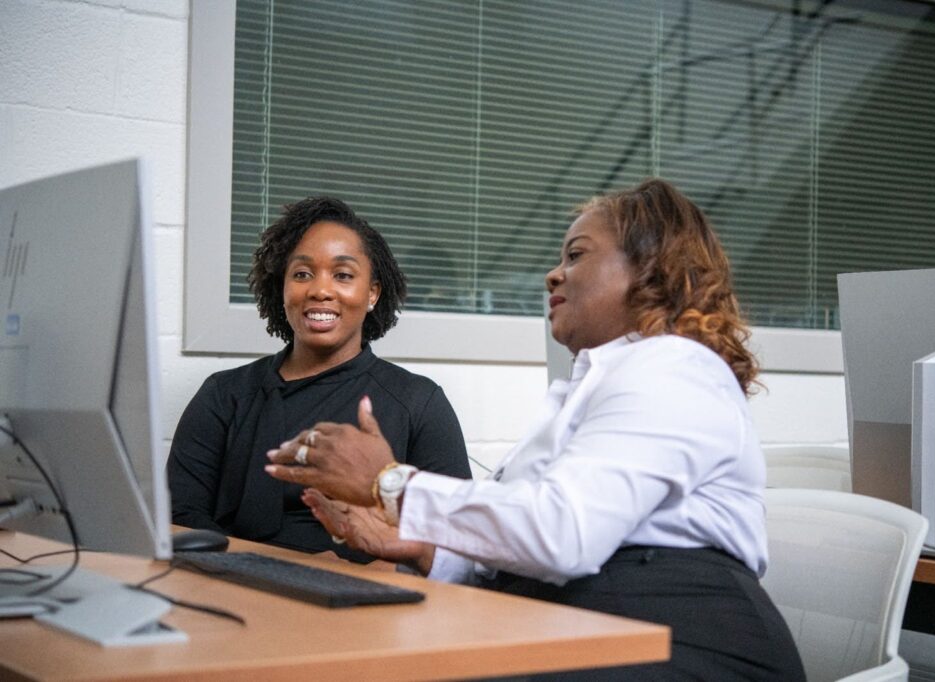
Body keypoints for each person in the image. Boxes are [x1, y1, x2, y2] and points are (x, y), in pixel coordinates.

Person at [264, 179, 805, 679]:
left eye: (576, 255)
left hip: (687, 642)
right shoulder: (591, 386)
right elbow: (533, 545)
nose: (554, 274)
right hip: (587, 628)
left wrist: (390, 484)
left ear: (649, 270)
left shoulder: (673, 366)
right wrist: (419, 547)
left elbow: (563, 533)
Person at [167, 197, 471, 560]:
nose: (320, 290)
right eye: (302, 274)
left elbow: (455, 542)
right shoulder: (224, 394)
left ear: (372, 293)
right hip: (230, 582)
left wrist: (351, 573)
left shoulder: (418, 403)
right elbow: (179, 518)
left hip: (364, 592)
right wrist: (279, 568)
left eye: (343, 275)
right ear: (282, 288)